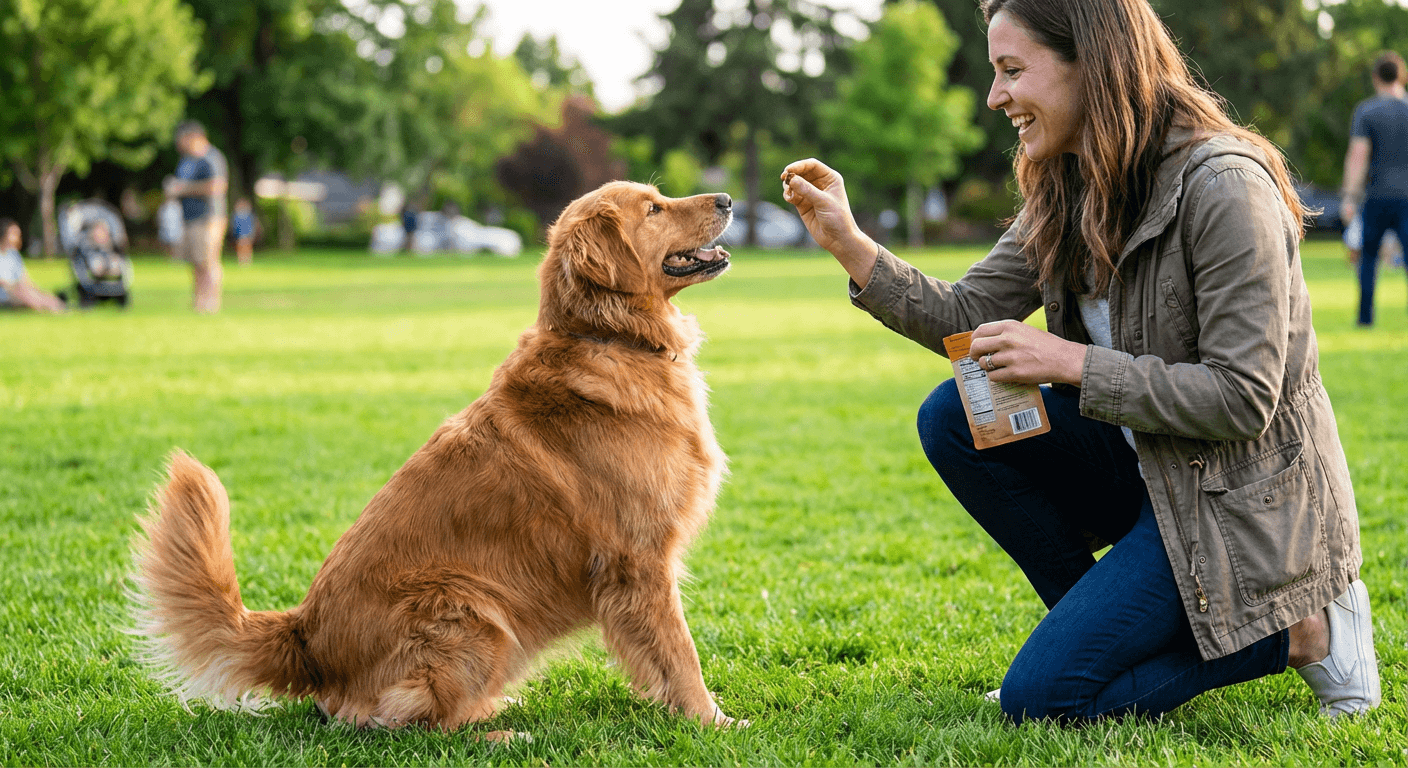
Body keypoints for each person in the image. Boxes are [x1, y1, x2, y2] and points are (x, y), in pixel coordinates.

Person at [782, 0, 1378, 724]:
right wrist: (850, 244)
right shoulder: (1068, 181)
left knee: (1043, 699)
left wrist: (1070, 361)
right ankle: (1096, 642)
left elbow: (1242, 398)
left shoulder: (1225, 185)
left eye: (1011, 70)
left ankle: (1303, 633)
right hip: (1145, 471)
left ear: (1091, 64)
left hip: (1233, 499)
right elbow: (969, 316)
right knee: (954, 415)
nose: (995, 96)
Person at [1341, 52, 1408, 327]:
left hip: (1377, 196)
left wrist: (1349, 196)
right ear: (1402, 76)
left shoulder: (1367, 111)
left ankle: (1365, 318)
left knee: (1368, 259)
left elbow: (1358, 156)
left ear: (1375, 78)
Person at [164, 120, 228, 313]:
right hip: (189, 218)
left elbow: (217, 186)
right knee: (196, 262)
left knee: (209, 260)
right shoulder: (186, 161)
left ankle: (212, 301)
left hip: (209, 217)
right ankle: (199, 300)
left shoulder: (211, 158)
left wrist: (183, 189)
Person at [0, 218, 66, 313]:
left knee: (35, 294)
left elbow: (25, 279)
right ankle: (46, 308)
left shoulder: (13, 254)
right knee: (23, 293)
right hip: (5, 292)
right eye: (14, 234)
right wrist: (15, 287)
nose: (17, 237)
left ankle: (56, 307)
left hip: (18, 289)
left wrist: (40, 292)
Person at [232, 197, 256, 266]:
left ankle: (247, 259)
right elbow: (235, 225)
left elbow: (252, 225)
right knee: (240, 246)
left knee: (247, 246)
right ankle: (241, 259)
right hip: (240, 234)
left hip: (248, 233)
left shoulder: (249, 216)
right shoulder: (236, 216)